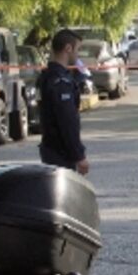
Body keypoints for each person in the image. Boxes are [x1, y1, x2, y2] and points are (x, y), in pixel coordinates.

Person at [37, 28, 89, 175]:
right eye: (77, 49)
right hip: (60, 153)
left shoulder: (47, 76)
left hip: (51, 149)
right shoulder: (60, 82)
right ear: (68, 48)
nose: (78, 54)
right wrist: (79, 155)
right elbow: (67, 121)